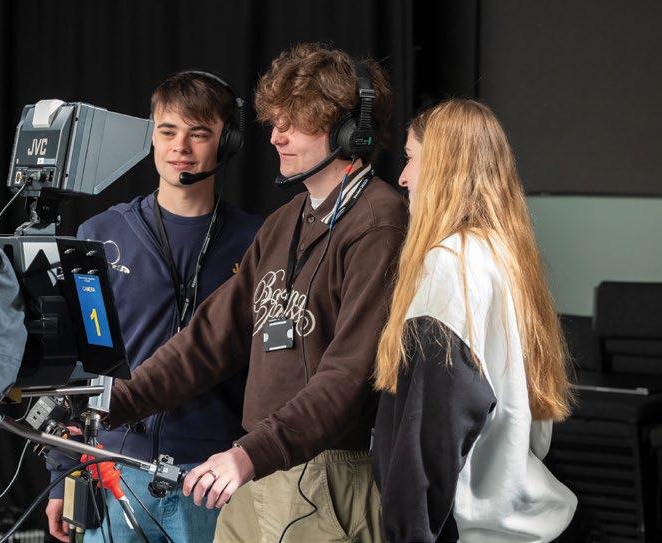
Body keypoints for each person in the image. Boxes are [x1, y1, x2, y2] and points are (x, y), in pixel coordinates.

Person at [103, 43, 408, 543]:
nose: (276, 137)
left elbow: (349, 374)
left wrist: (248, 455)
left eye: (295, 124)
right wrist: (113, 403)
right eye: (275, 122)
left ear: (351, 131)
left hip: (322, 474)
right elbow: (209, 337)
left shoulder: (379, 222)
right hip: (259, 467)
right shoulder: (285, 221)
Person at [44, 70, 263, 543]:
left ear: (226, 142)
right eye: (167, 131)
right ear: (152, 136)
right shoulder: (100, 234)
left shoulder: (260, 242)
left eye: (198, 133)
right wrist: (62, 472)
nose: (180, 146)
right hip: (113, 469)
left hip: (214, 479)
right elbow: (76, 365)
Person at [371, 98, 578, 542]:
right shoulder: (504, 257)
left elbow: (431, 434)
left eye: (411, 159)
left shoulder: (451, 264)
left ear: (444, 168)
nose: (403, 177)